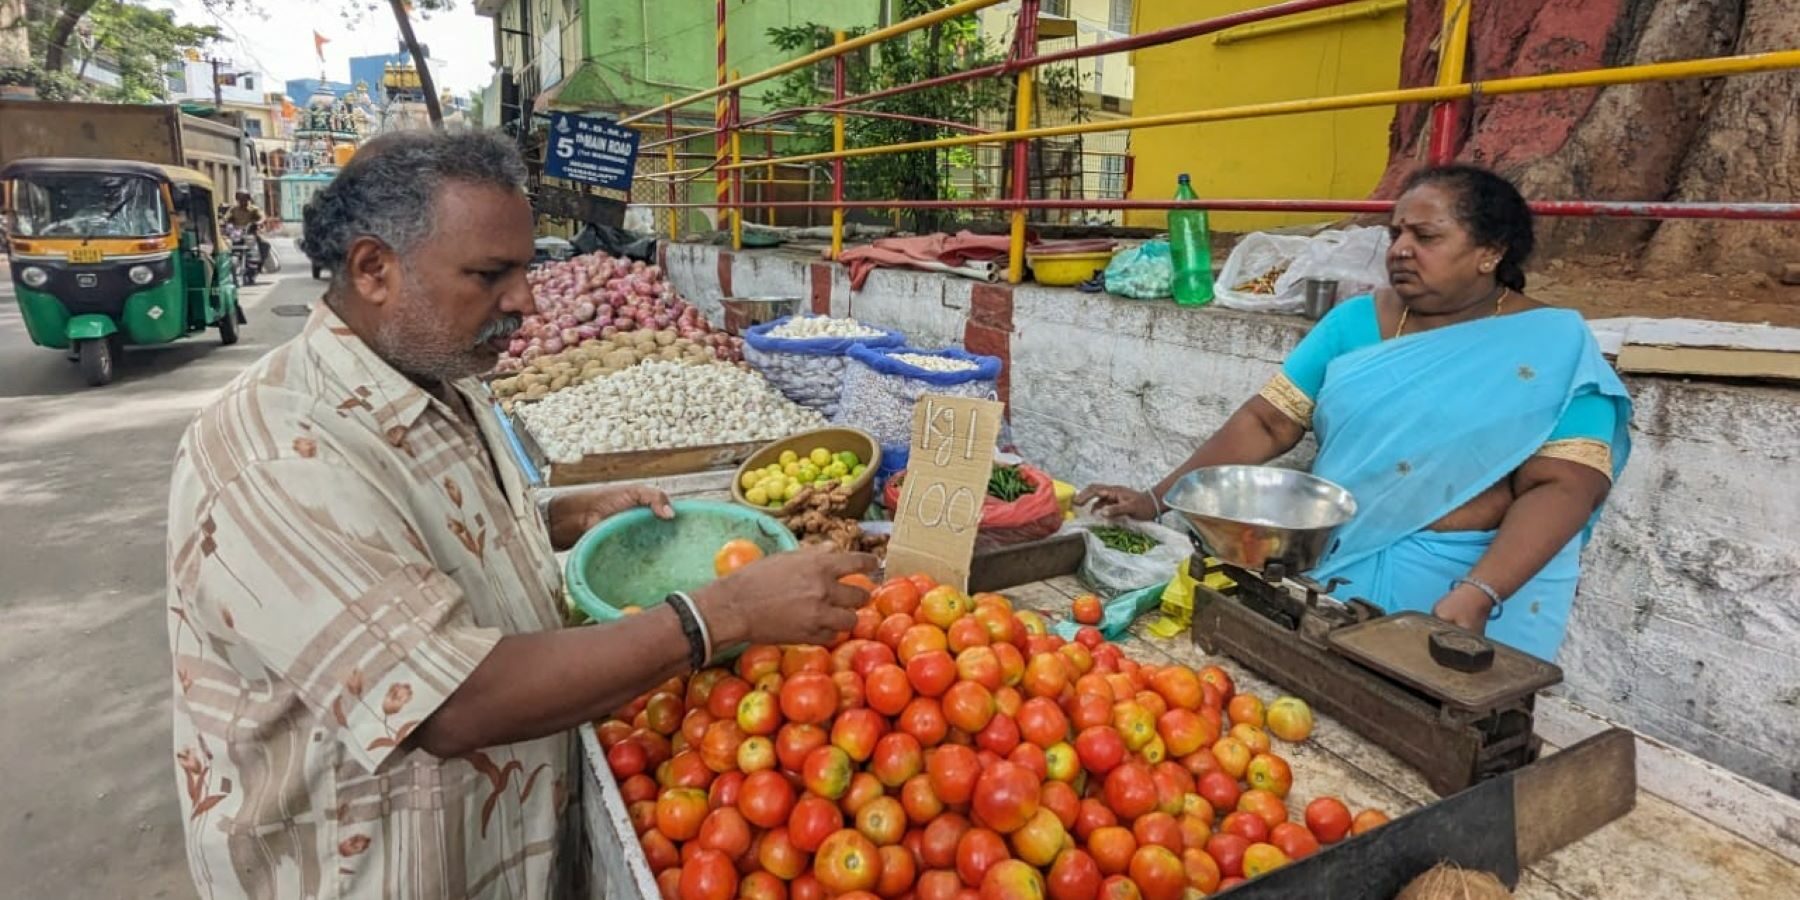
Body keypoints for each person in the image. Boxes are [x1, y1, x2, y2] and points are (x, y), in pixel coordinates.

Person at [165, 130, 876, 899]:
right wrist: (722, 614)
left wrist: (557, 519)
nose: (526, 299)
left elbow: (413, 538)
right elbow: (451, 704)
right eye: (489, 274)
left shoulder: (438, 378)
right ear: (375, 269)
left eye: (527, 268)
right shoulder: (278, 454)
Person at [1079, 165, 1630, 661]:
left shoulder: (1551, 345)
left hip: (1462, 591)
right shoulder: (1353, 323)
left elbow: (1563, 486)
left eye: (1426, 236)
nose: (1400, 249)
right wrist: (1158, 498)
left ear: (1491, 252)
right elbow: (1267, 422)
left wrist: (1480, 593)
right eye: (1396, 234)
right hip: (1336, 572)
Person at [223, 190, 270, 265]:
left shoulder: (254, 209)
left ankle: (260, 265)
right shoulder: (234, 209)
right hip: (236, 234)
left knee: (265, 245)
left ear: (248, 199)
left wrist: (257, 223)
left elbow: (262, 217)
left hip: (250, 234)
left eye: (245, 198)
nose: (243, 201)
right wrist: (224, 221)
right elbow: (226, 218)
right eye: (240, 199)